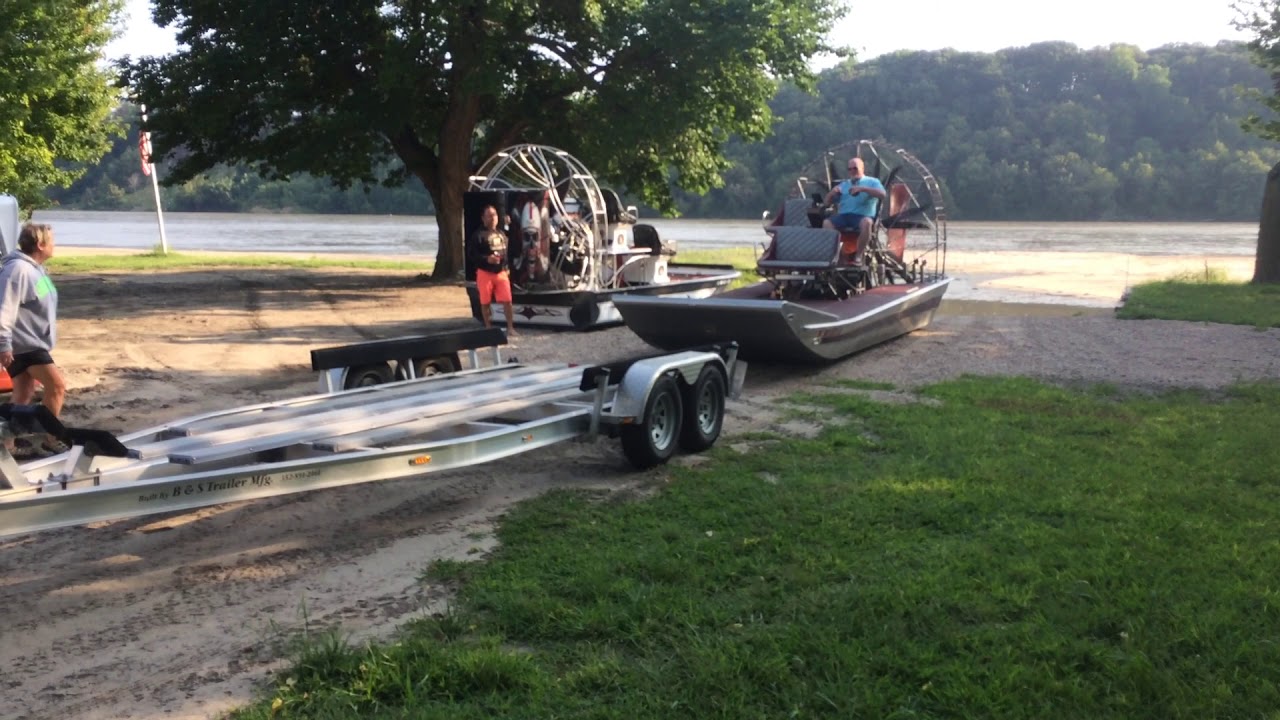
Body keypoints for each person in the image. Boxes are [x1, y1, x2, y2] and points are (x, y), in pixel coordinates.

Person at [0, 223, 68, 457]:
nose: (54, 246)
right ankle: (51, 438)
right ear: (40, 245)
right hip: (24, 345)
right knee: (56, 387)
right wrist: (3, 344)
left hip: (30, 342)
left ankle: (6, 445)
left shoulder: (36, 269)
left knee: (24, 391)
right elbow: (4, 309)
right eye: (52, 241)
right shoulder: (17, 270)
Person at [823, 157, 886, 265]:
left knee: (867, 223)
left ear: (862, 168)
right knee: (826, 223)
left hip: (862, 216)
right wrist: (832, 193)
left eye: (855, 168)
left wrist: (863, 189)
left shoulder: (872, 182)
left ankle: (858, 255)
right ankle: (838, 255)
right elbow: (826, 203)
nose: (852, 171)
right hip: (844, 216)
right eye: (850, 169)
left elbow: (883, 195)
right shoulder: (844, 184)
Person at [470, 205, 517, 336]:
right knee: (485, 302)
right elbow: (472, 255)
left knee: (507, 300)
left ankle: (510, 328)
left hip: (500, 272)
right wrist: (486, 259)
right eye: (489, 215)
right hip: (485, 272)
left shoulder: (501, 234)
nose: (493, 218)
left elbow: (508, 251)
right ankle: (488, 327)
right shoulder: (478, 235)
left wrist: (506, 267)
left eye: (495, 215)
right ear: (483, 218)